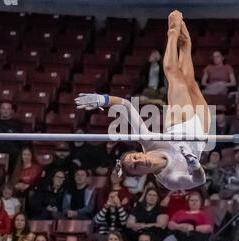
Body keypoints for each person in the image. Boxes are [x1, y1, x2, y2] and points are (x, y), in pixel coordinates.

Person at [75, 11, 211, 191]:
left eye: (135, 158)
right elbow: (198, 180)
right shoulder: (168, 179)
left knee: (174, 75)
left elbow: (126, 106)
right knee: (190, 82)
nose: (139, 161)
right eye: (135, 167)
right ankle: (185, 44)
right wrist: (194, 166)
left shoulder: (148, 142)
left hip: (179, 122)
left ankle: (173, 31)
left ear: (138, 152)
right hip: (202, 131)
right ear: (139, 175)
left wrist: (102, 99)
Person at [214, 146, 239, 211]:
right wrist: (226, 187)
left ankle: (235, 221)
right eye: (236, 153)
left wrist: (236, 188)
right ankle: (218, 220)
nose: (238, 155)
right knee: (214, 197)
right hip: (228, 193)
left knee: (236, 198)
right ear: (234, 156)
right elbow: (221, 184)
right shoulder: (228, 170)